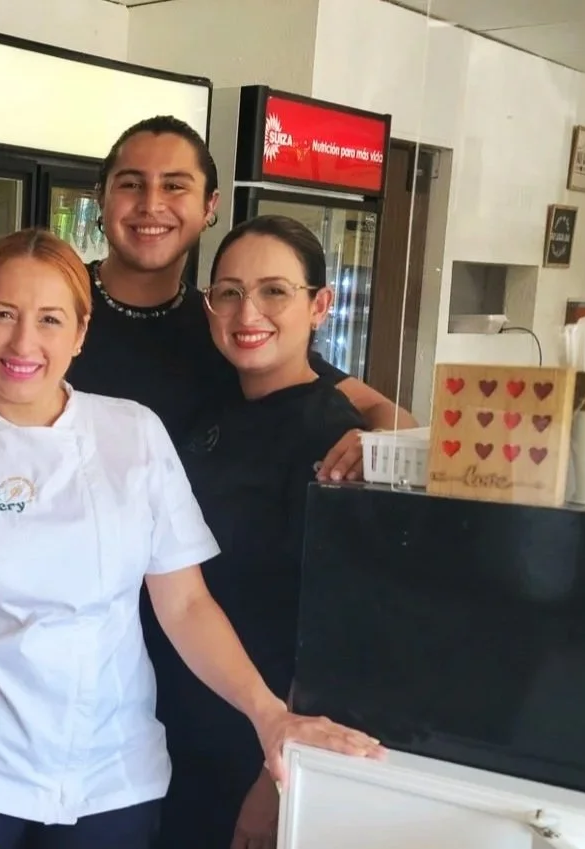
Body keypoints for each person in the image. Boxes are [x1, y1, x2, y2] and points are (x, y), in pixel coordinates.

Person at [0, 228, 383, 849]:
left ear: (81, 334)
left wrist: (270, 715)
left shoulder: (133, 434)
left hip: (113, 775)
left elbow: (185, 604)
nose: (24, 341)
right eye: (3, 314)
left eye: (51, 319)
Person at [152, 215, 368, 849]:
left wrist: (276, 781)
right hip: (176, 726)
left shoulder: (334, 440)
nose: (249, 310)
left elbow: (339, 632)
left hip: (251, 749)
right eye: (229, 292)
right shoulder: (219, 407)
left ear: (320, 306)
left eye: (275, 290)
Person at [65, 116, 415, 476]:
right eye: (131, 184)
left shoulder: (225, 327)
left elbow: (389, 415)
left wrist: (375, 445)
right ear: (100, 198)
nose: (151, 204)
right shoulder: (55, 308)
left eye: (174, 186)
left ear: (209, 206)